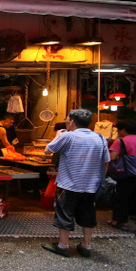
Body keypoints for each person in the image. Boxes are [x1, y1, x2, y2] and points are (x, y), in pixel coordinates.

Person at [41, 109, 110, 258]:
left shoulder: (68, 136)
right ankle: (86, 246)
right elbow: (105, 163)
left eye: (67, 119)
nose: (66, 121)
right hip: (91, 186)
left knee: (64, 214)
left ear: (72, 121)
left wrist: (57, 136)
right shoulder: (100, 138)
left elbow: (48, 150)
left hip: (68, 185)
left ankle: (63, 246)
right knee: (88, 215)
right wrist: (99, 180)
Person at [107, 119, 136, 238]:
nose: (118, 132)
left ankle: (121, 222)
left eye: (118, 130)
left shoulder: (121, 141)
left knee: (123, 198)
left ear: (123, 130)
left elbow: (112, 157)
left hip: (129, 175)